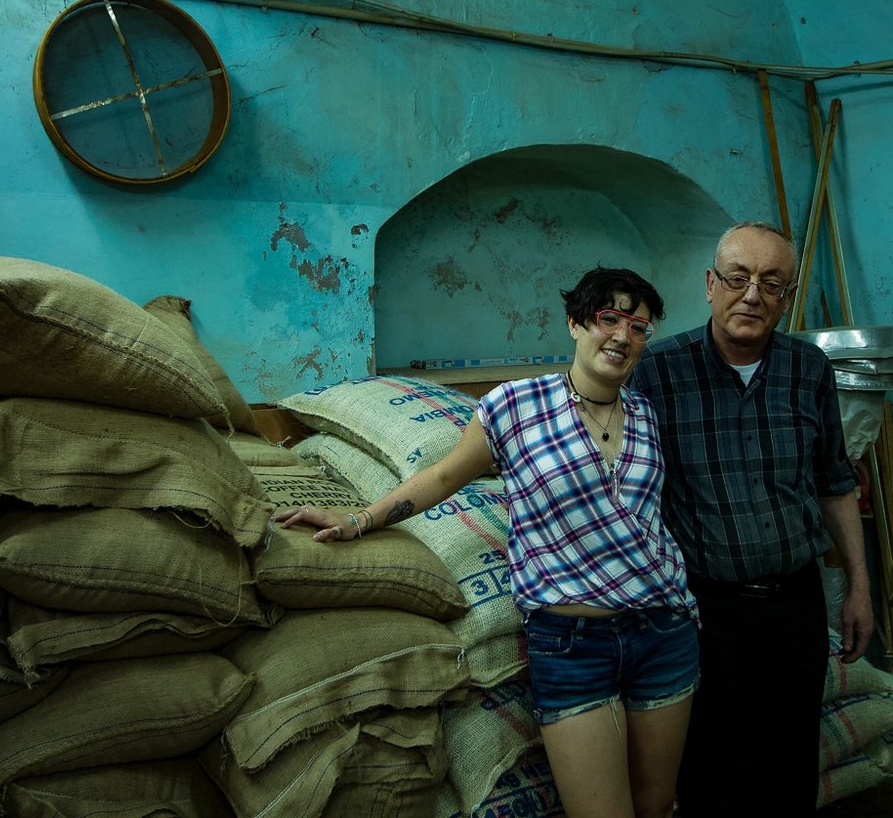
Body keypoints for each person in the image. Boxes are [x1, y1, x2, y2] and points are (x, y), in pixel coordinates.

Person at [274, 267, 699, 818]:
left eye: (638, 327)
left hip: (663, 629)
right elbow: (446, 476)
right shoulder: (514, 407)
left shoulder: (645, 415)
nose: (622, 336)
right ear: (575, 323)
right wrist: (361, 519)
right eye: (608, 318)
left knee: (657, 803)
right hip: (571, 644)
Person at [630, 222, 874, 818]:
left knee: (791, 764)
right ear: (710, 285)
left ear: (787, 297)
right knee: (718, 770)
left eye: (771, 283)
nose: (752, 295)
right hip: (704, 608)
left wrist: (859, 588)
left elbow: (834, 482)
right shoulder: (657, 371)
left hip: (797, 601)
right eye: (738, 279)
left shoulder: (807, 368)